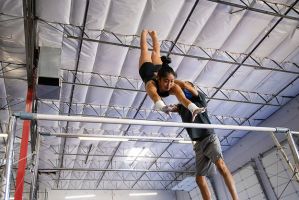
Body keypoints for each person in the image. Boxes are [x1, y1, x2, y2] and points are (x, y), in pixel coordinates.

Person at [172, 82, 239, 200]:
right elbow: (174, 107)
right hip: (198, 144)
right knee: (199, 179)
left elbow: (186, 86)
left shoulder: (199, 98)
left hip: (208, 137)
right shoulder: (182, 105)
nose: (184, 89)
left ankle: (235, 198)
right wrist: (165, 107)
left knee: (221, 166)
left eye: (187, 87)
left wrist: (172, 81)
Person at [138, 29, 205, 116]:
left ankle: (154, 35)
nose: (169, 85)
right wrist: (163, 107)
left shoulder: (174, 86)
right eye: (166, 81)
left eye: (171, 81)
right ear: (159, 79)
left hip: (157, 70)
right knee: (144, 50)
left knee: (155, 52)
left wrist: (194, 109)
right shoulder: (151, 84)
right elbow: (155, 96)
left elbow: (182, 99)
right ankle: (144, 32)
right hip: (147, 70)